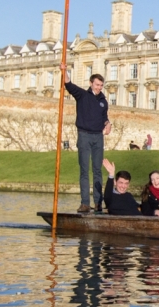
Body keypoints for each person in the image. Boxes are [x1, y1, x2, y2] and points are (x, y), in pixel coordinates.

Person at [60, 63, 111, 213]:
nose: (99, 88)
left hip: (98, 137)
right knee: (84, 170)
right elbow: (68, 84)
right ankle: (85, 203)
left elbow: (104, 117)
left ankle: (98, 203)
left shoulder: (103, 101)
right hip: (84, 135)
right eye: (97, 85)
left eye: (101, 85)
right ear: (91, 83)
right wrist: (64, 71)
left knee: (97, 170)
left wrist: (108, 124)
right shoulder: (82, 95)